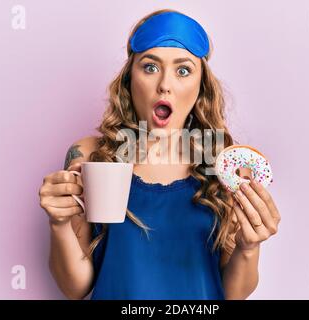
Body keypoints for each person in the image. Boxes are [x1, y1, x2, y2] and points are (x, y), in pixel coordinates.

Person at [39, 9, 281, 300]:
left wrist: (249, 246)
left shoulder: (225, 165)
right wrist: (59, 223)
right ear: (129, 78)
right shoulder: (91, 155)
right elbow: (74, 287)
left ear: (201, 85)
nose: (165, 84)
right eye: (150, 67)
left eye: (183, 70)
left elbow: (232, 294)